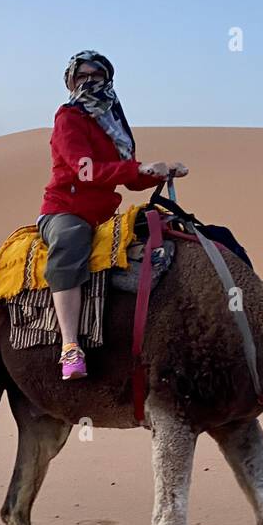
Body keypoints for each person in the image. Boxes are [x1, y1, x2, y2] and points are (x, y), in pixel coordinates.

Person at [40, 50, 188, 380]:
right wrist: (139, 167)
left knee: (161, 231)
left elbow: (131, 179)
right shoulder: (69, 118)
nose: (90, 81)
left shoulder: (112, 123)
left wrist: (160, 173)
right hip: (67, 210)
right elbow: (85, 169)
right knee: (70, 242)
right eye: (83, 76)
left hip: (104, 215)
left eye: (97, 76)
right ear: (71, 82)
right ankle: (69, 346)